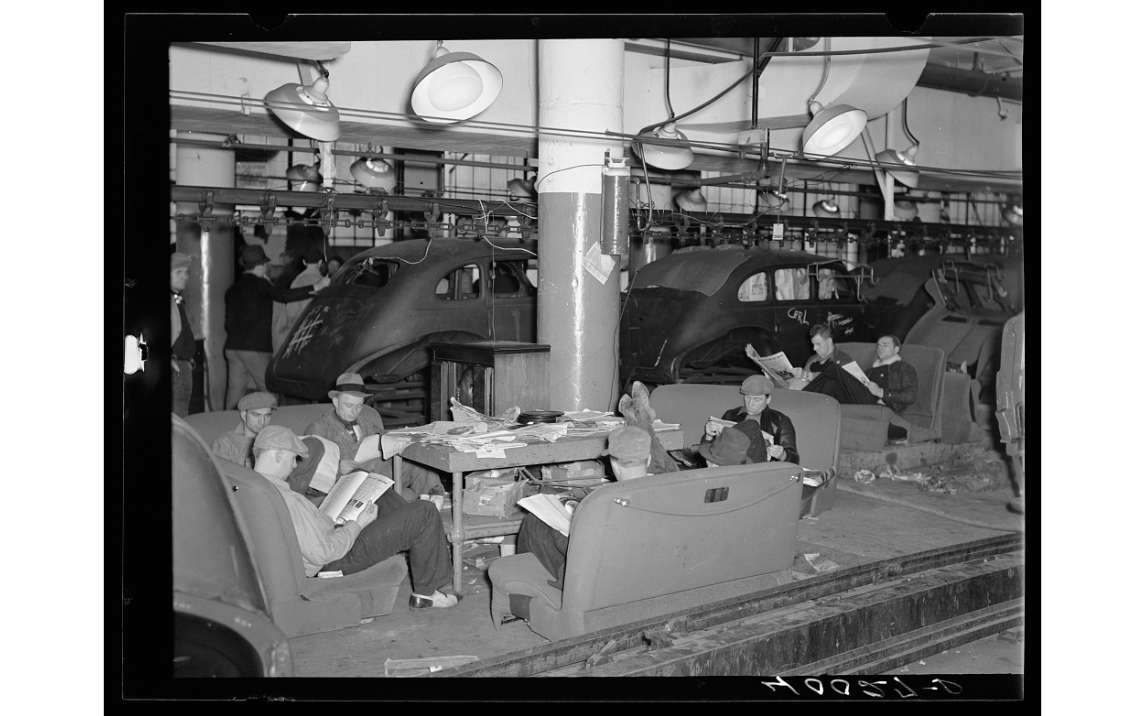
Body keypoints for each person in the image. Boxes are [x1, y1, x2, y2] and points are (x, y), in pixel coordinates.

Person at [251, 425, 459, 609]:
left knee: (375, 488)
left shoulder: (254, 486)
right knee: (425, 512)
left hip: (329, 539)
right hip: (335, 560)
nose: (295, 465)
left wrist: (331, 520)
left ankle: (416, 538)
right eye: (292, 458)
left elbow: (307, 533)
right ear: (278, 455)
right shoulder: (288, 500)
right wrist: (356, 525)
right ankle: (427, 593)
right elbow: (324, 553)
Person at [515, 426, 653, 592]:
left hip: (599, 582)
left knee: (534, 521)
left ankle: (522, 587)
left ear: (614, 465)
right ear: (649, 460)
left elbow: (584, 549)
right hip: (646, 572)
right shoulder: (669, 491)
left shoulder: (604, 503)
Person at [305, 373, 445, 499]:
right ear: (336, 402)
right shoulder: (319, 429)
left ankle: (436, 502)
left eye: (359, 406)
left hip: (376, 477)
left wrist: (403, 439)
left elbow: (387, 443)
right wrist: (337, 469)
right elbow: (307, 474)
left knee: (419, 462)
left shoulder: (366, 425)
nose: (355, 411)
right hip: (346, 485)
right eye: (349, 405)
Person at [223, 244, 328, 410]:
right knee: (270, 392)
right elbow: (283, 296)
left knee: (234, 395)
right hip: (255, 350)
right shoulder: (260, 284)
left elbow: (229, 324)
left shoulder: (232, 289)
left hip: (233, 349)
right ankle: (273, 424)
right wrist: (316, 287)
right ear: (261, 266)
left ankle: (226, 423)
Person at [705, 375, 799, 465]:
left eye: (757, 400)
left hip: (761, 469)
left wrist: (782, 455)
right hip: (730, 466)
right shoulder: (731, 415)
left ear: (768, 399)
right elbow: (709, 453)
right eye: (747, 397)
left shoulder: (780, 421)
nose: (750, 404)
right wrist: (709, 436)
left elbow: (794, 460)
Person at [272, 248, 325, 354]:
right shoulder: (325, 282)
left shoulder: (297, 281)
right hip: (319, 332)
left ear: (304, 262)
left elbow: (291, 312)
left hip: (300, 333)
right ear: (320, 262)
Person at [210, 391, 278, 469]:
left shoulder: (276, 440)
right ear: (243, 415)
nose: (262, 421)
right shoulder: (225, 443)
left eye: (267, 416)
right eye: (256, 415)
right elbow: (218, 474)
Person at [170, 252, 196, 417]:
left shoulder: (176, 299)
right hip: (176, 367)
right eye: (178, 272)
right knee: (179, 419)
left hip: (182, 365)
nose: (185, 276)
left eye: (186, 272)